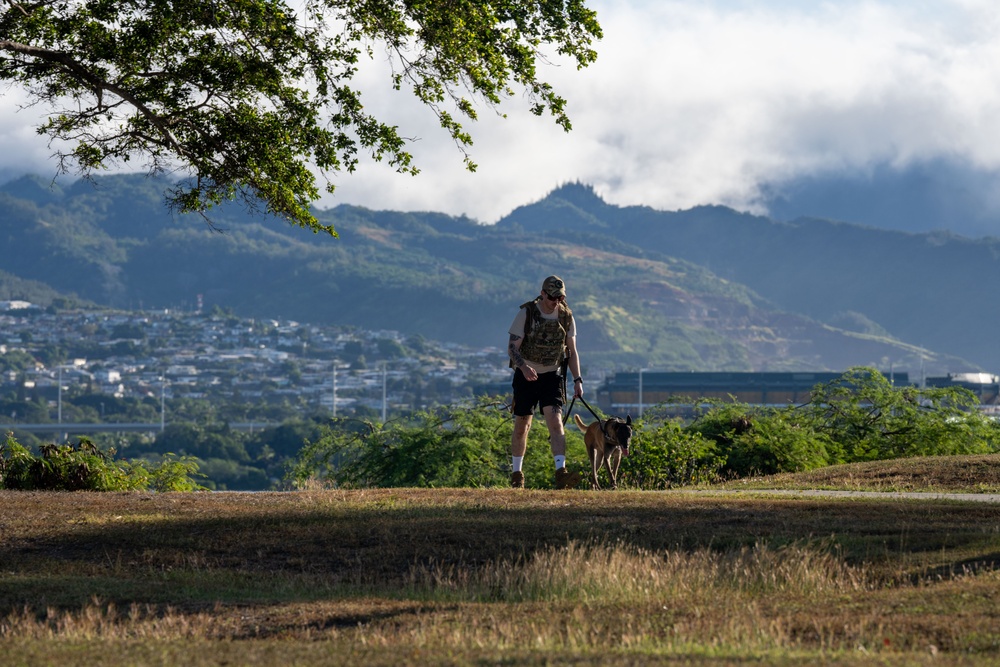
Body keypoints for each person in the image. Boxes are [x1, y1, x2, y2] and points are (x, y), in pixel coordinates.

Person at [507, 275, 584, 489]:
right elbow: (512, 348)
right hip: (526, 376)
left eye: (560, 298)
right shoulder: (527, 313)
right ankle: (517, 475)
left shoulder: (566, 317)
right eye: (552, 297)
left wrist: (578, 380)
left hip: (552, 375)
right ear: (543, 294)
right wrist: (523, 367)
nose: (555, 302)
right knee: (523, 424)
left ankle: (561, 472)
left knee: (556, 421)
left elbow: (572, 351)